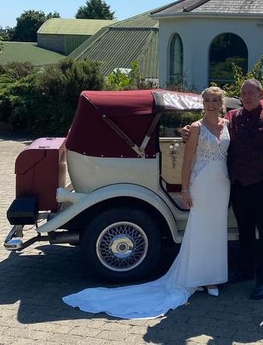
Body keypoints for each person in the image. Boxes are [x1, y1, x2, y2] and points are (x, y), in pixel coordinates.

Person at [62, 86, 231, 319]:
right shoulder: (195, 128)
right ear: (203, 103)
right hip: (202, 182)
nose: (211, 104)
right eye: (207, 100)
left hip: (222, 184)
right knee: (201, 230)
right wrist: (184, 189)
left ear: (221, 103)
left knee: (217, 231)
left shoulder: (228, 125)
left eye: (215, 100)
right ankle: (198, 278)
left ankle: (213, 277)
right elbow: (188, 161)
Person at [184, 79, 263, 300]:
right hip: (238, 187)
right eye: (243, 93)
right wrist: (187, 130)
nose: (247, 97)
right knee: (244, 232)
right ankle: (244, 271)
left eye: (251, 93)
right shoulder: (231, 118)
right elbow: (208, 126)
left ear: (260, 94)